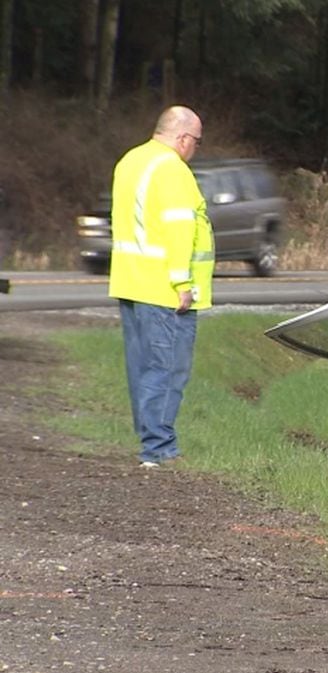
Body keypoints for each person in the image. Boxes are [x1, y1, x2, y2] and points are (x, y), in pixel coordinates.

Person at [108, 106, 214, 468]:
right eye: (196, 142)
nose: (195, 149)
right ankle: (159, 448)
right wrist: (182, 281)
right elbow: (179, 228)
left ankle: (150, 440)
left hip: (130, 281)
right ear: (184, 138)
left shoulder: (130, 161)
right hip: (165, 289)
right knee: (167, 369)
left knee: (142, 367)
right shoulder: (173, 170)